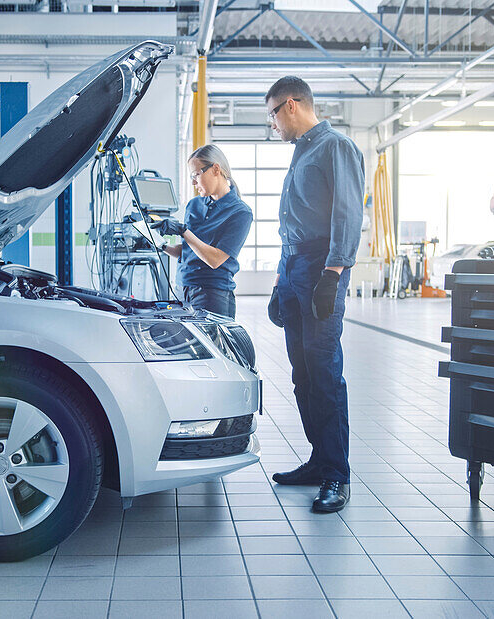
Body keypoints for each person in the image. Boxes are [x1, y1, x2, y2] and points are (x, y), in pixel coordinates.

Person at [264, 76, 364, 513]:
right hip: (292, 267)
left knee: (324, 374)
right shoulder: (302, 151)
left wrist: (333, 274)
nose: (271, 125)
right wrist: (278, 282)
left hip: (320, 266)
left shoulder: (334, 147)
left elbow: (347, 213)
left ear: (290, 105)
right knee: (301, 374)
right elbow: (293, 223)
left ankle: (337, 476)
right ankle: (318, 460)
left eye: (271, 115)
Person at [150, 144, 252, 318]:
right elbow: (188, 251)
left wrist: (183, 231)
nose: (193, 182)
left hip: (212, 293)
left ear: (215, 169)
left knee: (210, 345)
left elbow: (215, 259)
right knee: (180, 344)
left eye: (196, 174)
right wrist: (159, 244)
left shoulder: (240, 212)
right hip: (183, 288)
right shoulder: (194, 205)